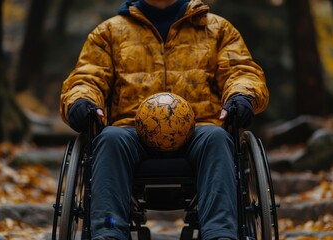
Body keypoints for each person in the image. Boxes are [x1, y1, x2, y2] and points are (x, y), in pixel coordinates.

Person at [60, 0, 269, 239]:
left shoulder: (217, 29)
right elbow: (87, 77)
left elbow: (240, 72)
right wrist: (81, 101)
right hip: (132, 130)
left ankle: (220, 233)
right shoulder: (109, 32)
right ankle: (109, 230)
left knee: (217, 137)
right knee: (109, 138)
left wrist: (242, 96)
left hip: (199, 129)